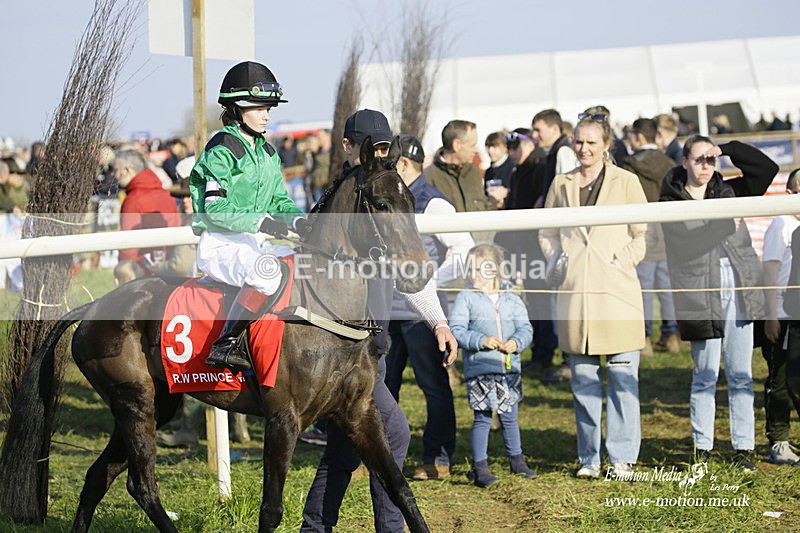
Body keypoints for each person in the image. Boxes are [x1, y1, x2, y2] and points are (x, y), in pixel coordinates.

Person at [301, 109, 458, 533]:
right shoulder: (344, 204)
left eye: (384, 146)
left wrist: (438, 322)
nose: (378, 153)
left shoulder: (384, 197)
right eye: (370, 146)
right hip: (343, 353)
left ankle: (315, 528)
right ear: (350, 147)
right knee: (394, 432)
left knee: (345, 451)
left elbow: (409, 271)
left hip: (374, 349)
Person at [660, 135, 778, 471]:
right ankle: (703, 448)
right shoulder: (670, 200)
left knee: (740, 374)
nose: (705, 166)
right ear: (684, 161)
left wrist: (728, 148)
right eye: (699, 159)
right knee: (705, 374)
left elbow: (766, 169)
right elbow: (687, 245)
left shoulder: (730, 190)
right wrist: (726, 223)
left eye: (711, 160)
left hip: (739, 286)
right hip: (699, 294)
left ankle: (743, 449)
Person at [539, 113, 647, 479]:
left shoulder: (627, 182)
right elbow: (546, 231)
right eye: (579, 142)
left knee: (621, 380)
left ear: (607, 145)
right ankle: (589, 457)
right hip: (575, 294)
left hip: (617, 294)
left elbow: (642, 234)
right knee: (583, 381)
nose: (584, 149)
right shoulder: (560, 183)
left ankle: (622, 457)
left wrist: (621, 260)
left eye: (591, 142)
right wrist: (557, 259)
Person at [189, 61, 309, 373]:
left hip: (252, 243)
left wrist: (299, 222)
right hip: (220, 245)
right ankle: (226, 344)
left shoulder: (268, 153)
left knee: (301, 263)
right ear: (237, 109)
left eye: (268, 108)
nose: (266, 115)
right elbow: (216, 210)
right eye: (258, 108)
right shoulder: (220, 149)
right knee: (267, 273)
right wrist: (261, 221)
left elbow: (279, 200)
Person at [385, 134, 475, 481]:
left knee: (434, 387)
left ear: (404, 165)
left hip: (422, 316)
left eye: (391, 164)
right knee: (382, 388)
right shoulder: (391, 199)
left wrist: (428, 283)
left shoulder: (435, 204)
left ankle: (437, 457)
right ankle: (378, 456)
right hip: (388, 312)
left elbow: (463, 251)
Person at [449, 244, 536, 487]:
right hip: (481, 369)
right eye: (470, 269)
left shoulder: (511, 298)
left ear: (496, 270)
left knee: (510, 415)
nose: (473, 274)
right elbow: (456, 331)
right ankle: (480, 467)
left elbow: (525, 328)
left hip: (509, 368)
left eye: (479, 269)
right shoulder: (465, 298)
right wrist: (480, 341)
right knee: (483, 417)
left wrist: (516, 343)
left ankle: (517, 460)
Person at [622, 117, 681, 355]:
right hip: (666, 229)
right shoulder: (669, 162)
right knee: (666, 288)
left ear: (637, 137)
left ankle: (644, 337)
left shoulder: (629, 164)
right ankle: (672, 335)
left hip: (642, 229)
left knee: (643, 288)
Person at [759, 169, 800, 464]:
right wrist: (771, 314)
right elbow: (770, 271)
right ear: (789, 195)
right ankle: (779, 440)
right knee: (780, 379)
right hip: (784, 314)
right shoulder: (781, 223)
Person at [113, 148, 182, 285]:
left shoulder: (133, 200)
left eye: (115, 170)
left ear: (127, 170)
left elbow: (128, 246)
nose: (113, 175)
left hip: (142, 274)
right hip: (168, 270)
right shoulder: (165, 195)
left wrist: (124, 276)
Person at [424, 119, 495, 243]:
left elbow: (483, 212)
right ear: (457, 145)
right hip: (451, 258)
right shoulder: (428, 178)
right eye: (472, 145)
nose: (475, 151)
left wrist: (494, 201)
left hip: (481, 255)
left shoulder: (474, 173)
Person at [482, 131, 514, 208]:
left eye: (495, 147)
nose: (490, 151)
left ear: (505, 147)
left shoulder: (513, 168)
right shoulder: (489, 172)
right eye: (488, 147)